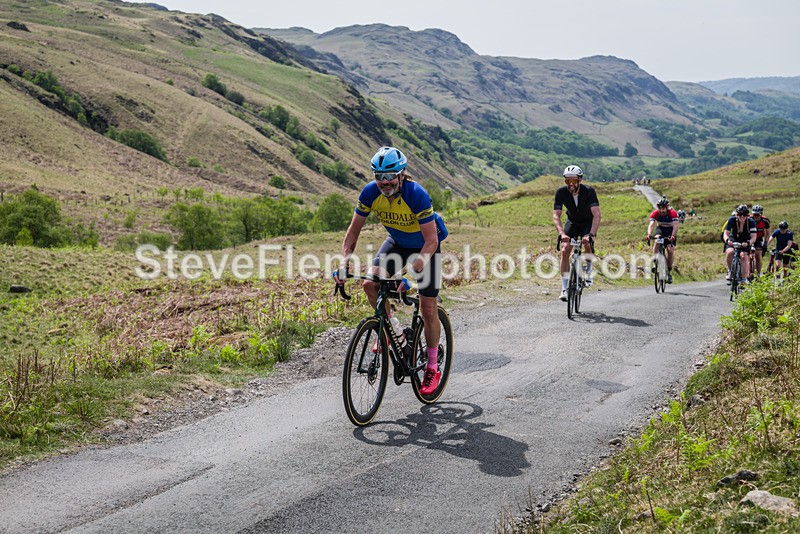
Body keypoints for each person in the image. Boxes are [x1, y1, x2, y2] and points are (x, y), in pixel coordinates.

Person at [335, 146, 448, 395]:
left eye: (390, 176)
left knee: (428, 307)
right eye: (379, 176)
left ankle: (431, 366)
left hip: (425, 248)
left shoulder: (416, 194)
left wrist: (409, 275)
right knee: (370, 284)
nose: (384, 182)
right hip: (397, 243)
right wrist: (344, 262)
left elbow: (431, 241)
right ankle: (392, 331)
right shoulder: (370, 193)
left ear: (401, 174)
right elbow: (353, 232)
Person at [553, 165, 601, 301]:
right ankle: (564, 288)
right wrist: (562, 234)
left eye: (573, 181)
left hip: (588, 223)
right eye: (568, 181)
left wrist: (591, 234)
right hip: (573, 222)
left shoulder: (589, 191)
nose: (571, 184)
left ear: (580, 180)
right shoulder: (561, 192)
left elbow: (597, 215)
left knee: (587, 244)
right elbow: (556, 216)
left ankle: (589, 270)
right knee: (565, 250)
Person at [646, 197, 679, 283]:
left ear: (667, 207)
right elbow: (651, 225)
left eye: (663, 208)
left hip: (670, 231)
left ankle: (669, 271)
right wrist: (649, 234)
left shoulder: (672, 213)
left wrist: (673, 235)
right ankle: (655, 261)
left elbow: (675, 225)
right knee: (657, 240)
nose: (661, 210)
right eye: (659, 208)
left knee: (670, 250)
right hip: (660, 229)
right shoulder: (655, 213)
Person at [723, 204, 757, 284]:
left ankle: (744, 279)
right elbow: (726, 233)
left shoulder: (751, 222)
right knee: (730, 252)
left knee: (744, 256)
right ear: (737, 214)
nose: (742, 217)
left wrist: (748, 243)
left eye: (744, 215)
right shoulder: (732, 220)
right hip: (734, 238)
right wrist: (727, 240)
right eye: (739, 214)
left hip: (745, 240)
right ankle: (730, 270)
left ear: (747, 215)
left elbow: (753, 237)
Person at [751, 205, 771, 276]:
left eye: (758, 215)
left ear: (761, 214)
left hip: (759, 238)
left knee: (758, 255)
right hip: (749, 238)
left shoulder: (765, 221)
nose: (756, 216)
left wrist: (765, 243)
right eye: (754, 214)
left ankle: (758, 275)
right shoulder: (749, 219)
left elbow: (768, 233)